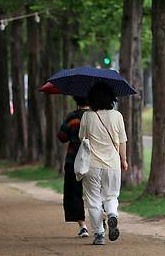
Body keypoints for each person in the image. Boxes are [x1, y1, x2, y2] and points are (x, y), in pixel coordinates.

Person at [79, 82, 128, 246]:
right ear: (111, 99)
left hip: (91, 165)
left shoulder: (87, 116)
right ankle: (112, 213)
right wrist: (124, 160)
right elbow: (122, 142)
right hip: (113, 164)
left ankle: (99, 234)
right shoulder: (117, 116)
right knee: (111, 195)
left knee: (93, 200)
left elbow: (82, 137)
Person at [57, 96, 91, 238]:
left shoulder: (72, 117)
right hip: (93, 160)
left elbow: (62, 136)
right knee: (95, 192)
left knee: (74, 193)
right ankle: (101, 221)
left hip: (74, 160)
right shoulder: (95, 117)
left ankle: (83, 226)